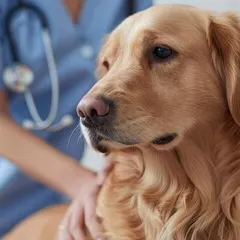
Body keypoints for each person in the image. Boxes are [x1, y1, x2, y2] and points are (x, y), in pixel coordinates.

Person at [0, 0, 152, 239]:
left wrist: (113, 177)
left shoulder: (130, 4)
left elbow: (132, 100)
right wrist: (82, 183)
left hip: (60, 201)